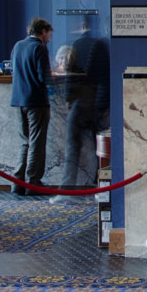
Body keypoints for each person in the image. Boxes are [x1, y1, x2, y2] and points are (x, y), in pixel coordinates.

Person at [60, 21, 110, 190]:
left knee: (72, 148)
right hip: (97, 105)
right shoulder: (102, 46)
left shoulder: (81, 49)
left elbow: (71, 87)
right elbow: (103, 77)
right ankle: (100, 182)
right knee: (100, 149)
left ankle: (67, 187)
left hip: (81, 106)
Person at [9, 18, 53, 196]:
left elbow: (13, 70)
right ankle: (33, 182)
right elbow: (44, 78)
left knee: (25, 141)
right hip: (36, 101)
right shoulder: (39, 48)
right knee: (37, 142)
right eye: (49, 32)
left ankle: (18, 181)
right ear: (42, 31)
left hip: (19, 99)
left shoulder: (18, 46)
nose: (49, 36)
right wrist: (54, 76)